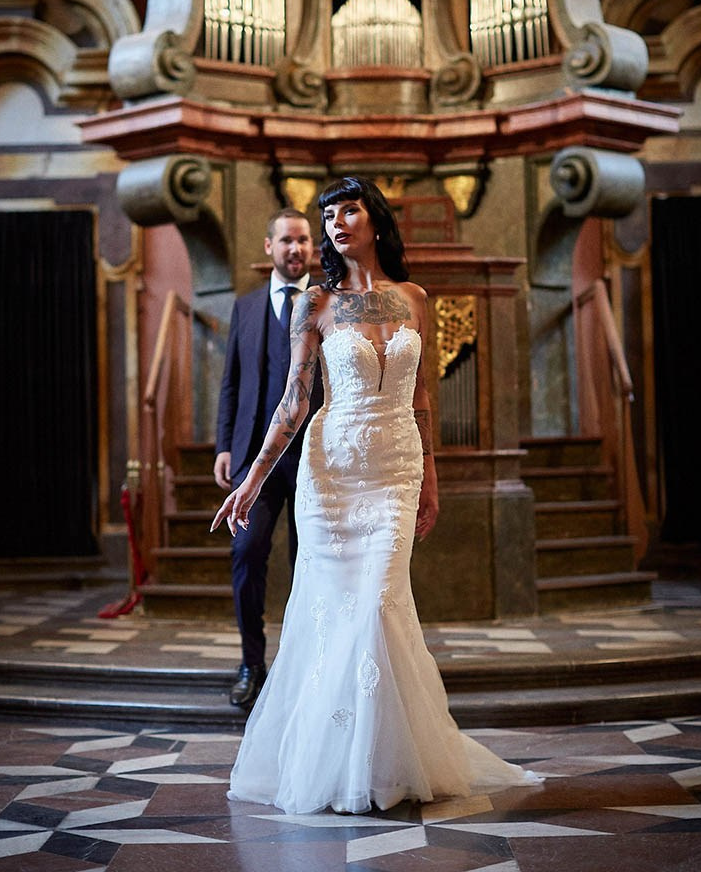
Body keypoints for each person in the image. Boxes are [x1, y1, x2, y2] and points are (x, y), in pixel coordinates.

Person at [211, 176, 543, 814]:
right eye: (327, 214)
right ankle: (343, 766)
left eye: (348, 211)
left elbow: (423, 399)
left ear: (375, 218)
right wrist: (252, 479)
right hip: (332, 470)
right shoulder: (318, 302)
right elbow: (294, 399)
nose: (336, 223)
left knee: (381, 602)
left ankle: (384, 759)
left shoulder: (415, 297)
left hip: (397, 466)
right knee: (342, 615)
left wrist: (433, 478)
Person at [213, 206, 322, 712]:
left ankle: (306, 670)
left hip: (314, 456)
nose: (295, 249)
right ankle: (251, 665)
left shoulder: (328, 304)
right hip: (255, 456)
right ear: (269, 247)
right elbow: (232, 382)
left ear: (312, 248)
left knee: (310, 563)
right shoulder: (247, 307)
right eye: (286, 241)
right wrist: (224, 444)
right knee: (246, 554)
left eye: (303, 240)